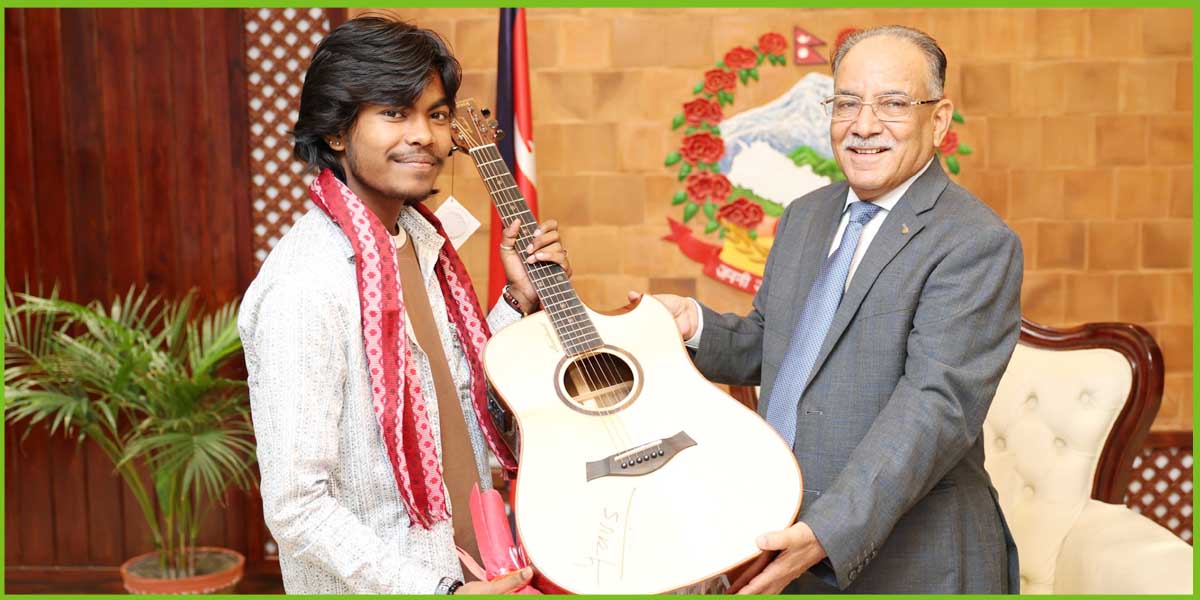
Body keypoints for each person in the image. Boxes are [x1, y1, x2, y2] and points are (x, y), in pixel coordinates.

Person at [637, 26, 1022, 594]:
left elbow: (935, 407)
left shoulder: (974, 241)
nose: (864, 125)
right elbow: (779, 344)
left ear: (939, 121)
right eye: (847, 103)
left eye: (893, 103)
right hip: (783, 536)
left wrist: (828, 531)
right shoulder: (805, 216)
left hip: (912, 563)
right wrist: (695, 326)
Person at [238, 17, 569, 594]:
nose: (425, 135)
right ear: (336, 132)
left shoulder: (419, 240)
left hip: (482, 556)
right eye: (395, 112)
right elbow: (296, 506)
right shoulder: (305, 285)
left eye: (436, 115)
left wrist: (519, 298)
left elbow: (456, 391)